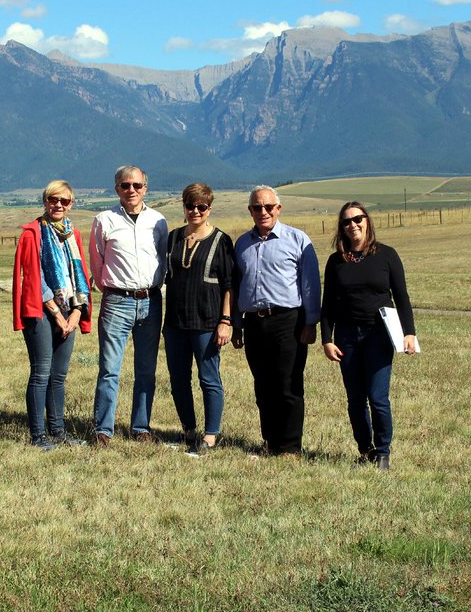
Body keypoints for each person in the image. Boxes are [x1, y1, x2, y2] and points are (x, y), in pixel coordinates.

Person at [320, 201, 417, 471]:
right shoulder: (336, 261)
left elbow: (402, 297)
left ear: (367, 221)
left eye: (357, 219)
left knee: (377, 397)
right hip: (346, 337)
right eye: (346, 221)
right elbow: (328, 304)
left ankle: (383, 452)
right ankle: (365, 450)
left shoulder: (387, 255)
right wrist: (327, 339)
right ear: (341, 227)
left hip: (378, 334)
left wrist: (409, 333)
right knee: (355, 399)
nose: (352, 225)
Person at [231, 185, 321, 456]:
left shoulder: (297, 239)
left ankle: (290, 447)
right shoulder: (242, 244)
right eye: (257, 207)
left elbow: (310, 285)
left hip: (288, 321)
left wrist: (311, 322)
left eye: (269, 206)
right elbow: (236, 286)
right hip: (254, 323)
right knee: (263, 385)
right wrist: (237, 324)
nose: (264, 212)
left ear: (278, 208)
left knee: (288, 384)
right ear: (250, 210)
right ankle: (270, 442)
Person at [89, 165, 168, 445]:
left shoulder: (158, 221)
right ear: (117, 189)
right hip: (116, 301)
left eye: (136, 185)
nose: (131, 190)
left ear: (145, 188)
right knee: (109, 369)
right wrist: (112, 289)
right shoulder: (104, 220)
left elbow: (162, 259)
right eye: (125, 185)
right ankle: (103, 430)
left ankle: (141, 427)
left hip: (151, 301)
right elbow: (97, 262)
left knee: (146, 369)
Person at [12, 180, 92, 450]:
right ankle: (38, 435)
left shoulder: (72, 234)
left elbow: (78, 275)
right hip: (41, 311)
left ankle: (58, 431)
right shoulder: (32, 234)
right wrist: (57, 314)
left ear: (71, 204)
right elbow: (34, 278)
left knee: (58, 375)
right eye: (53, 200)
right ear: (45, 201)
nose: (58, 205)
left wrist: (77, 312)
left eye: (64, 201)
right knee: (41, 372)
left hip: (70, 307)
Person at [164, 183, 235, 453]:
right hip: (175, 322)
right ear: (183, 207)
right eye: (190, 206)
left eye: (201, 207)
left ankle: (211, 435)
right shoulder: (173, 238)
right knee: (178, 380)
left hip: (206, 321)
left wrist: (225, 321)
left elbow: (229, 285)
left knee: (209, 379)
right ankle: (189, 430)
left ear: (209, 209)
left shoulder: (221, 241)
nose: (195, 211)